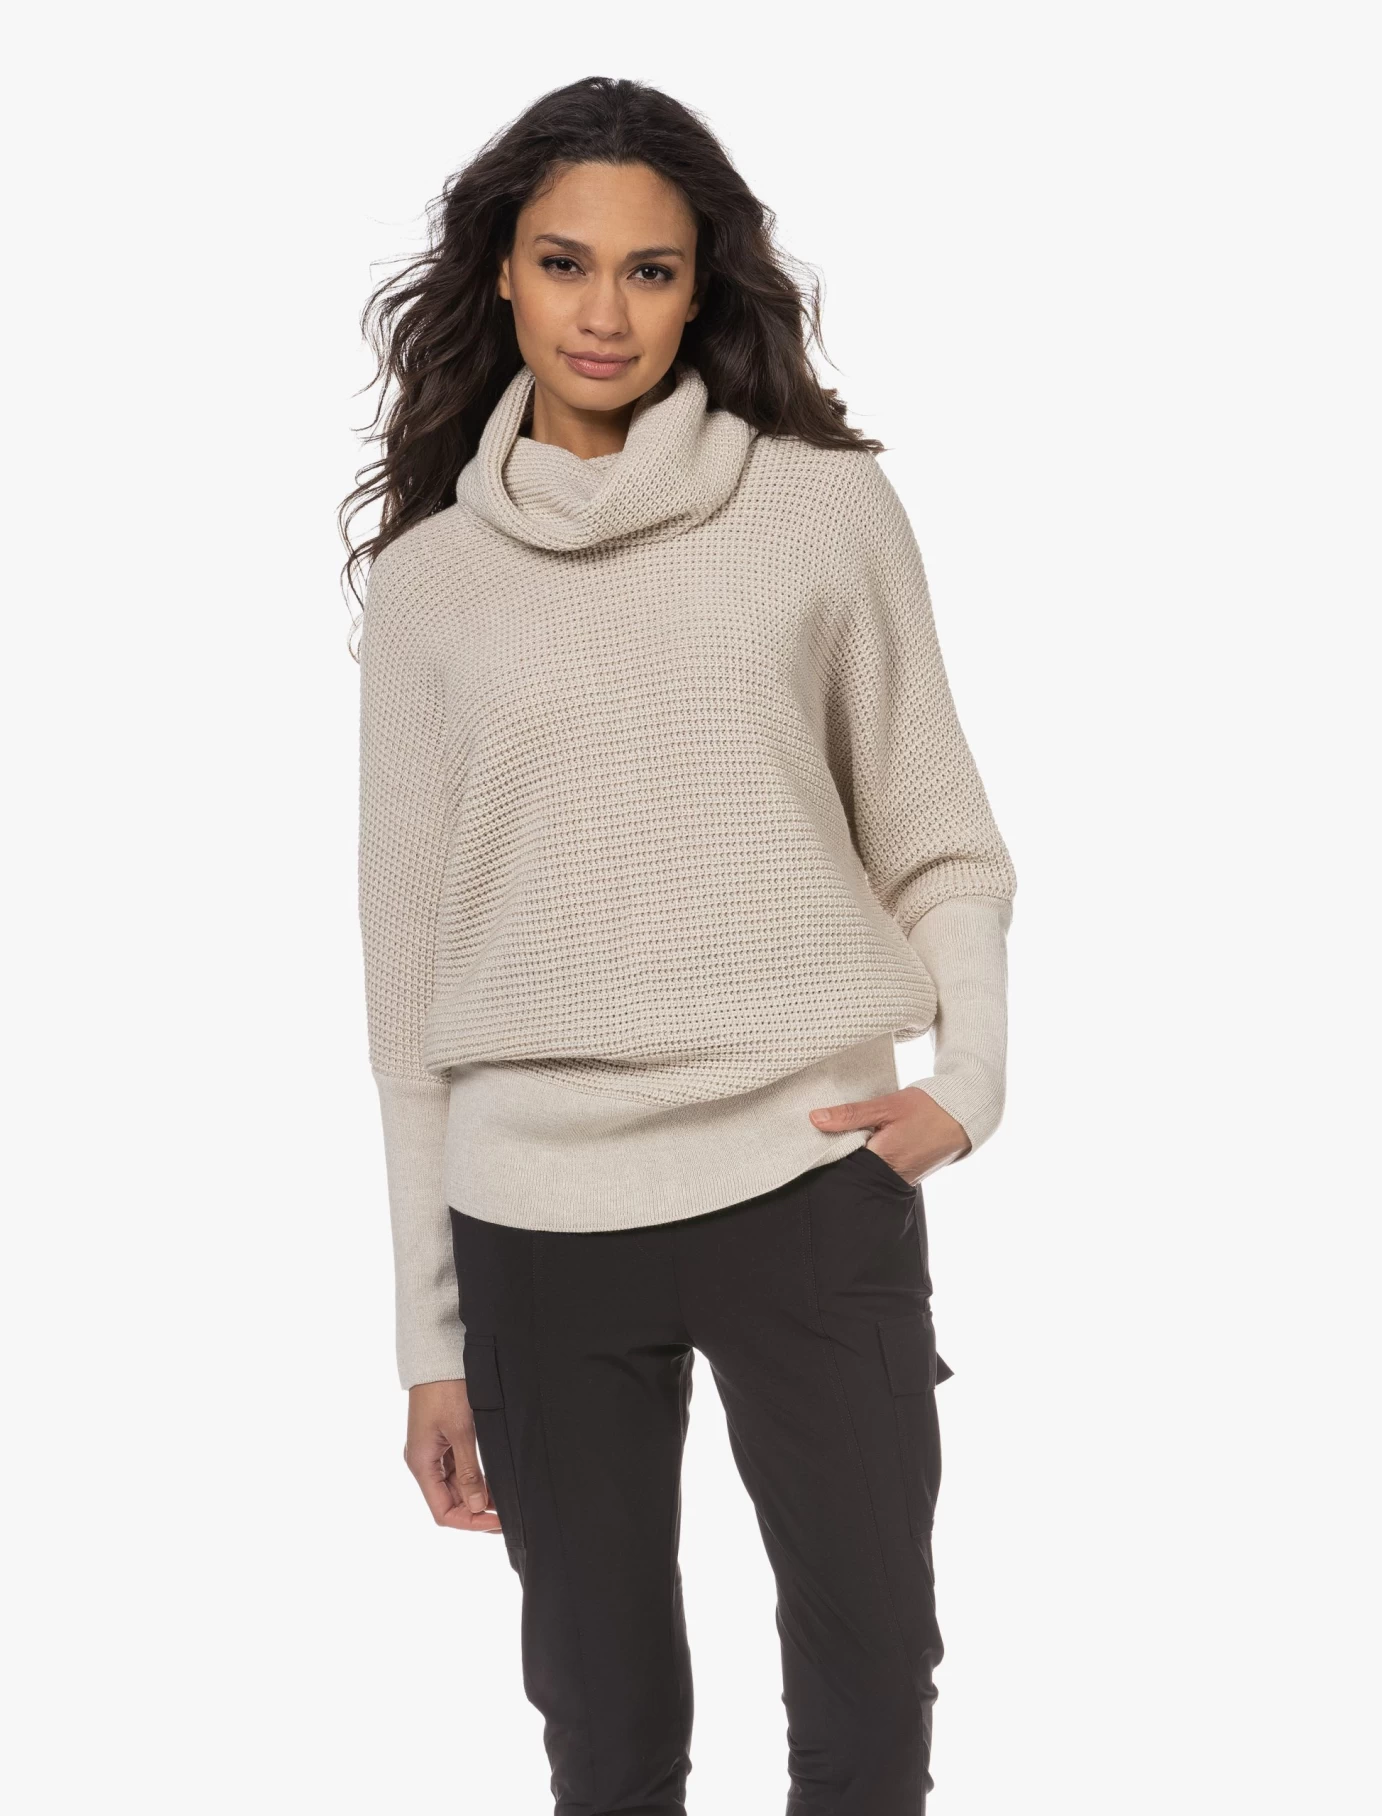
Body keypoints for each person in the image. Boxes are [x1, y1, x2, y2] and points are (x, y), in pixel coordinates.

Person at [342, 74, 1017, 1816]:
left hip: (808, 1177)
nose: (605, 311)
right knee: (606, 1731)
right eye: (565, 262)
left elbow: (937, 832)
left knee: (872, 1698)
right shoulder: (430, 585)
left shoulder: (821, 511)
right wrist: (429, 1339)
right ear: (502, 271)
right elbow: (407, 996)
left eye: (649, 270)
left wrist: (971, 1080)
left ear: (700, 281)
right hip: (532, 1224)